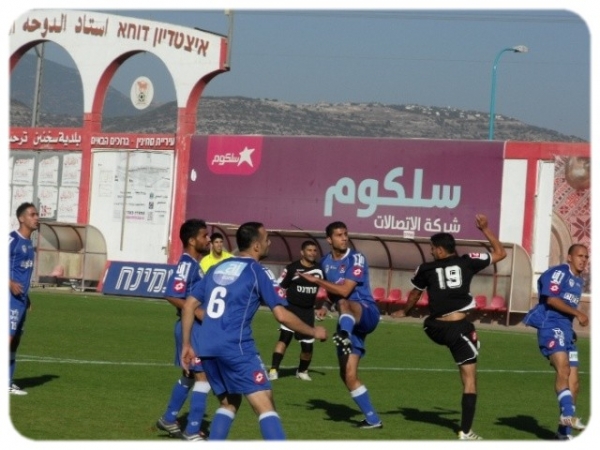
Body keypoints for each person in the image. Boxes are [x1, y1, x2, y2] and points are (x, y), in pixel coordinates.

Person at [180, 222, 328, 440]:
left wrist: (186, 344)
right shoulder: (257, 271)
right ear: (257, 246)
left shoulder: (217, 268)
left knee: (229, 402)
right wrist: (314, 332)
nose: (270, 243)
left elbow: (188, 306)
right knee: (265, 405)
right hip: (236, 347)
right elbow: (281, 315)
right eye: (266, 239)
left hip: (207, 347)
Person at [391, 213, 506, 440]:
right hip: (457, 328)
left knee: (461, 336)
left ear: (441, 250)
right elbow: (500, 253)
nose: (431, 252)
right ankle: (466, 432)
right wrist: (485, 228)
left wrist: (405, 312)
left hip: (433, 328)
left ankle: (469, 342)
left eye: (433, 248)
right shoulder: (467, 261)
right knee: (470, 380)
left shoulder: (425, 269)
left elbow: (414, 294)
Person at [298, 221, 382, 429]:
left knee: (344, 302)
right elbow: (332, 292)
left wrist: (316, 281)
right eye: (339, 235)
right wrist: (325, 305)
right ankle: (373, 419)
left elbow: (343, 291)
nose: (344, 238)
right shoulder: (325, 262)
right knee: (347, 374)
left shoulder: (356, 258)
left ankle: (344, 334)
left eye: (345, 234)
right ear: (329, 239)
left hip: (366, 312)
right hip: (348, 320)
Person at [522, 244, 589, 440]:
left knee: (574, 383)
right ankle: (568, 415)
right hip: (550, 326)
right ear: (569, 257)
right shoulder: (559, 273)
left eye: (586, 257)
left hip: (566, 331)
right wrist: (578, 313)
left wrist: (570, 329)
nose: (583, 260)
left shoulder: (578, 280)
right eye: (580, 256)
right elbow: (551, 299)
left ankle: (563, 434)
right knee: (563, 368)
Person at [156, 219, 211, 440]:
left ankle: (169, 418)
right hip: (192, 327)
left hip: (193, 327)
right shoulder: (187, 264)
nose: (208, 240)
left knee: (190, 374)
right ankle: (192, 431)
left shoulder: (194, 264)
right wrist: (197, 311)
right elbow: (171, 294)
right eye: (204, 236)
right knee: (203, 377)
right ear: (192, 240)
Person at [268, 240, 326, 382]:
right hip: (291, 310)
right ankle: (274, 370)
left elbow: (327, 288)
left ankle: (302, 371)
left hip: (308, 312)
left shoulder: (320, 269)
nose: (312, 253)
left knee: (307, 347)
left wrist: (323, 306)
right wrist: (281, 305)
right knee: (284, 340)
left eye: (314, 250)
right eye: (309, 250)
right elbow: (279, 287)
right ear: (302, 252)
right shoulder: (292, 268)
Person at [9, 202, 39, 396]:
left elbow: (22, 273)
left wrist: (26, 297)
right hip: (8, 298)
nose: (36, 218)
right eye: (32, 214)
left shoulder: (29, 244)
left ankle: (7, 381)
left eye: (37, 214)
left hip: (20, 299)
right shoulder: (12, 240)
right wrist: (8, 282)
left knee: (15, 341)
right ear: (21, 218)